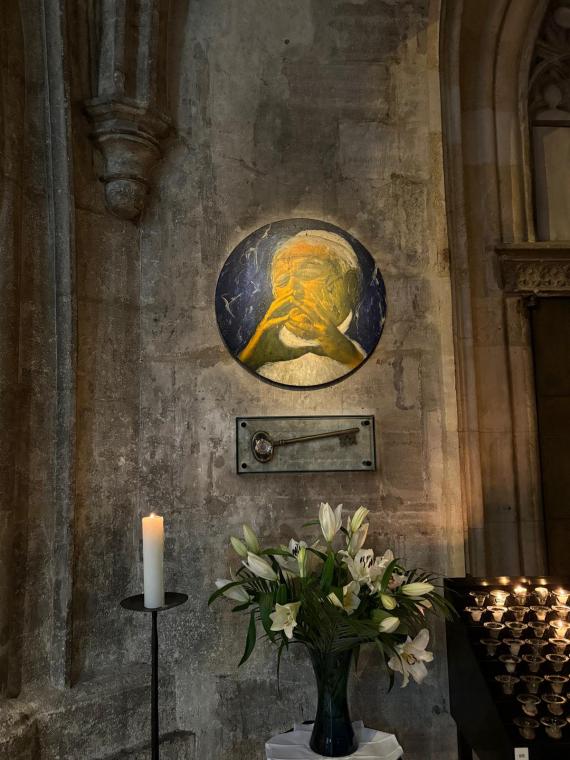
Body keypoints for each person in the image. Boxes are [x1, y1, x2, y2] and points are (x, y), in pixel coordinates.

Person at [238, 229, 366, 386]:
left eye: (307, 274)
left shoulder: (368, 344)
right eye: (282, 281)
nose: (293, 290)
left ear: (350, 286)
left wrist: (350, 356)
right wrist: (251, 357)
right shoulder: (258, 353)